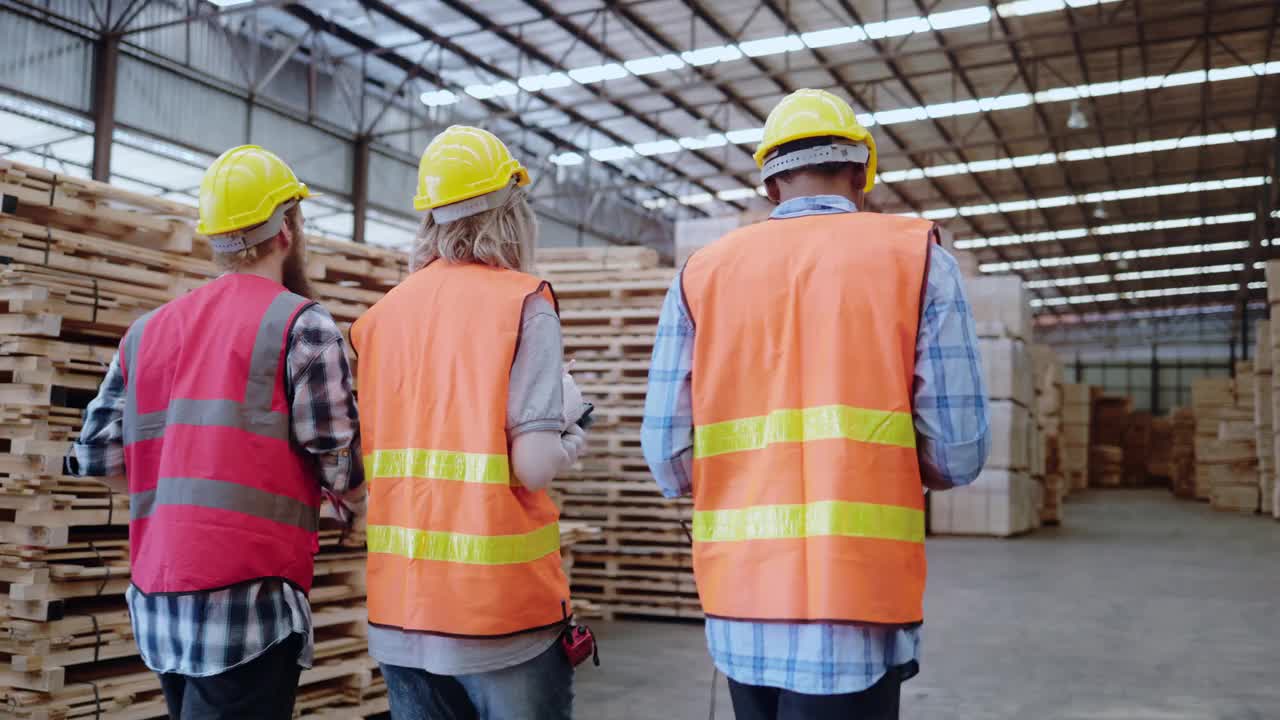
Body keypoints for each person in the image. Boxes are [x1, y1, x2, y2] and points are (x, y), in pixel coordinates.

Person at [641, 88, 990, 720]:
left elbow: (667, 457)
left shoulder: (701, 273)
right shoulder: (917, 260)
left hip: (741, 601)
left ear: (771, 184)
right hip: (859, 600)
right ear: (862, 174)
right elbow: (959, 453)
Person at [65, 145, 364, 719]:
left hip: (158, 603)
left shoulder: (146, 332)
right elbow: (339, 463)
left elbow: (98, 458)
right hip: (249, 606)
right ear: (288, 231)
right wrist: (355, 504)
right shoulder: (303, 324)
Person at [352, 125, 589, 720]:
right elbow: (532, 465)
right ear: (512, 212)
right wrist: (571, 421)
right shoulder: (523, 301)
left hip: (401, 611)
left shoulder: (379, 319)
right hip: (499, 617)